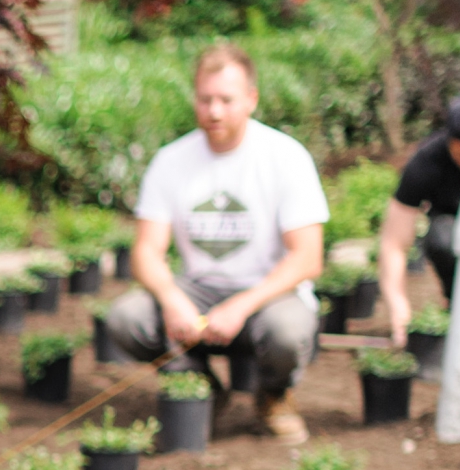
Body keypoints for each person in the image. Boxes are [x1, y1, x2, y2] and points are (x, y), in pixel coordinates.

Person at [104, 44, 326, 445]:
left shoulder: (285, 158)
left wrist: (242, 304)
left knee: (287, 331)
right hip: (200, 288)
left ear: (251, 100)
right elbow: (145, 251)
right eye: (206, 99)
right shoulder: (171, 161)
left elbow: (307, 258)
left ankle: (274, 395)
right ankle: (200, 387)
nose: (215, 111)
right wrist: (173, 299)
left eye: (226, 99)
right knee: (126, 318)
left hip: (267, 292)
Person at [378, 92, 460, 341]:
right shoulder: (428, 160)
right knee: (441, 236)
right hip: (452, 230)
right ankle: (456, 304)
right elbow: (394, 242)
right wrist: (398, 308)